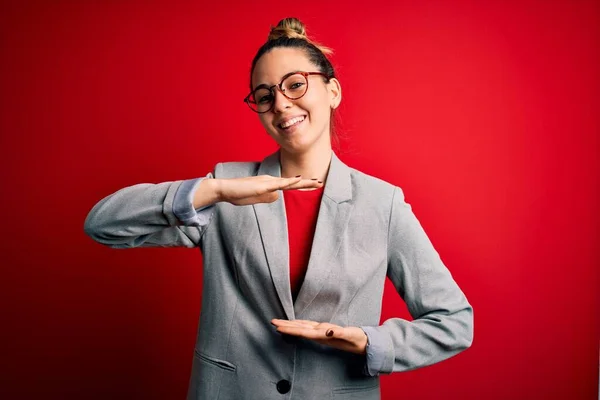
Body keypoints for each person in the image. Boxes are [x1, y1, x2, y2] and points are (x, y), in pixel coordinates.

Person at [84, 17, 473, 400]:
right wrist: (215, 190)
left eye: (296, 85)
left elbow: (455, 323)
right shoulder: (227, 189)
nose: (282, 104)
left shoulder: (382, 203)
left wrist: (370, 341)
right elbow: (103, 224)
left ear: (332, 91)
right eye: (266, 95)